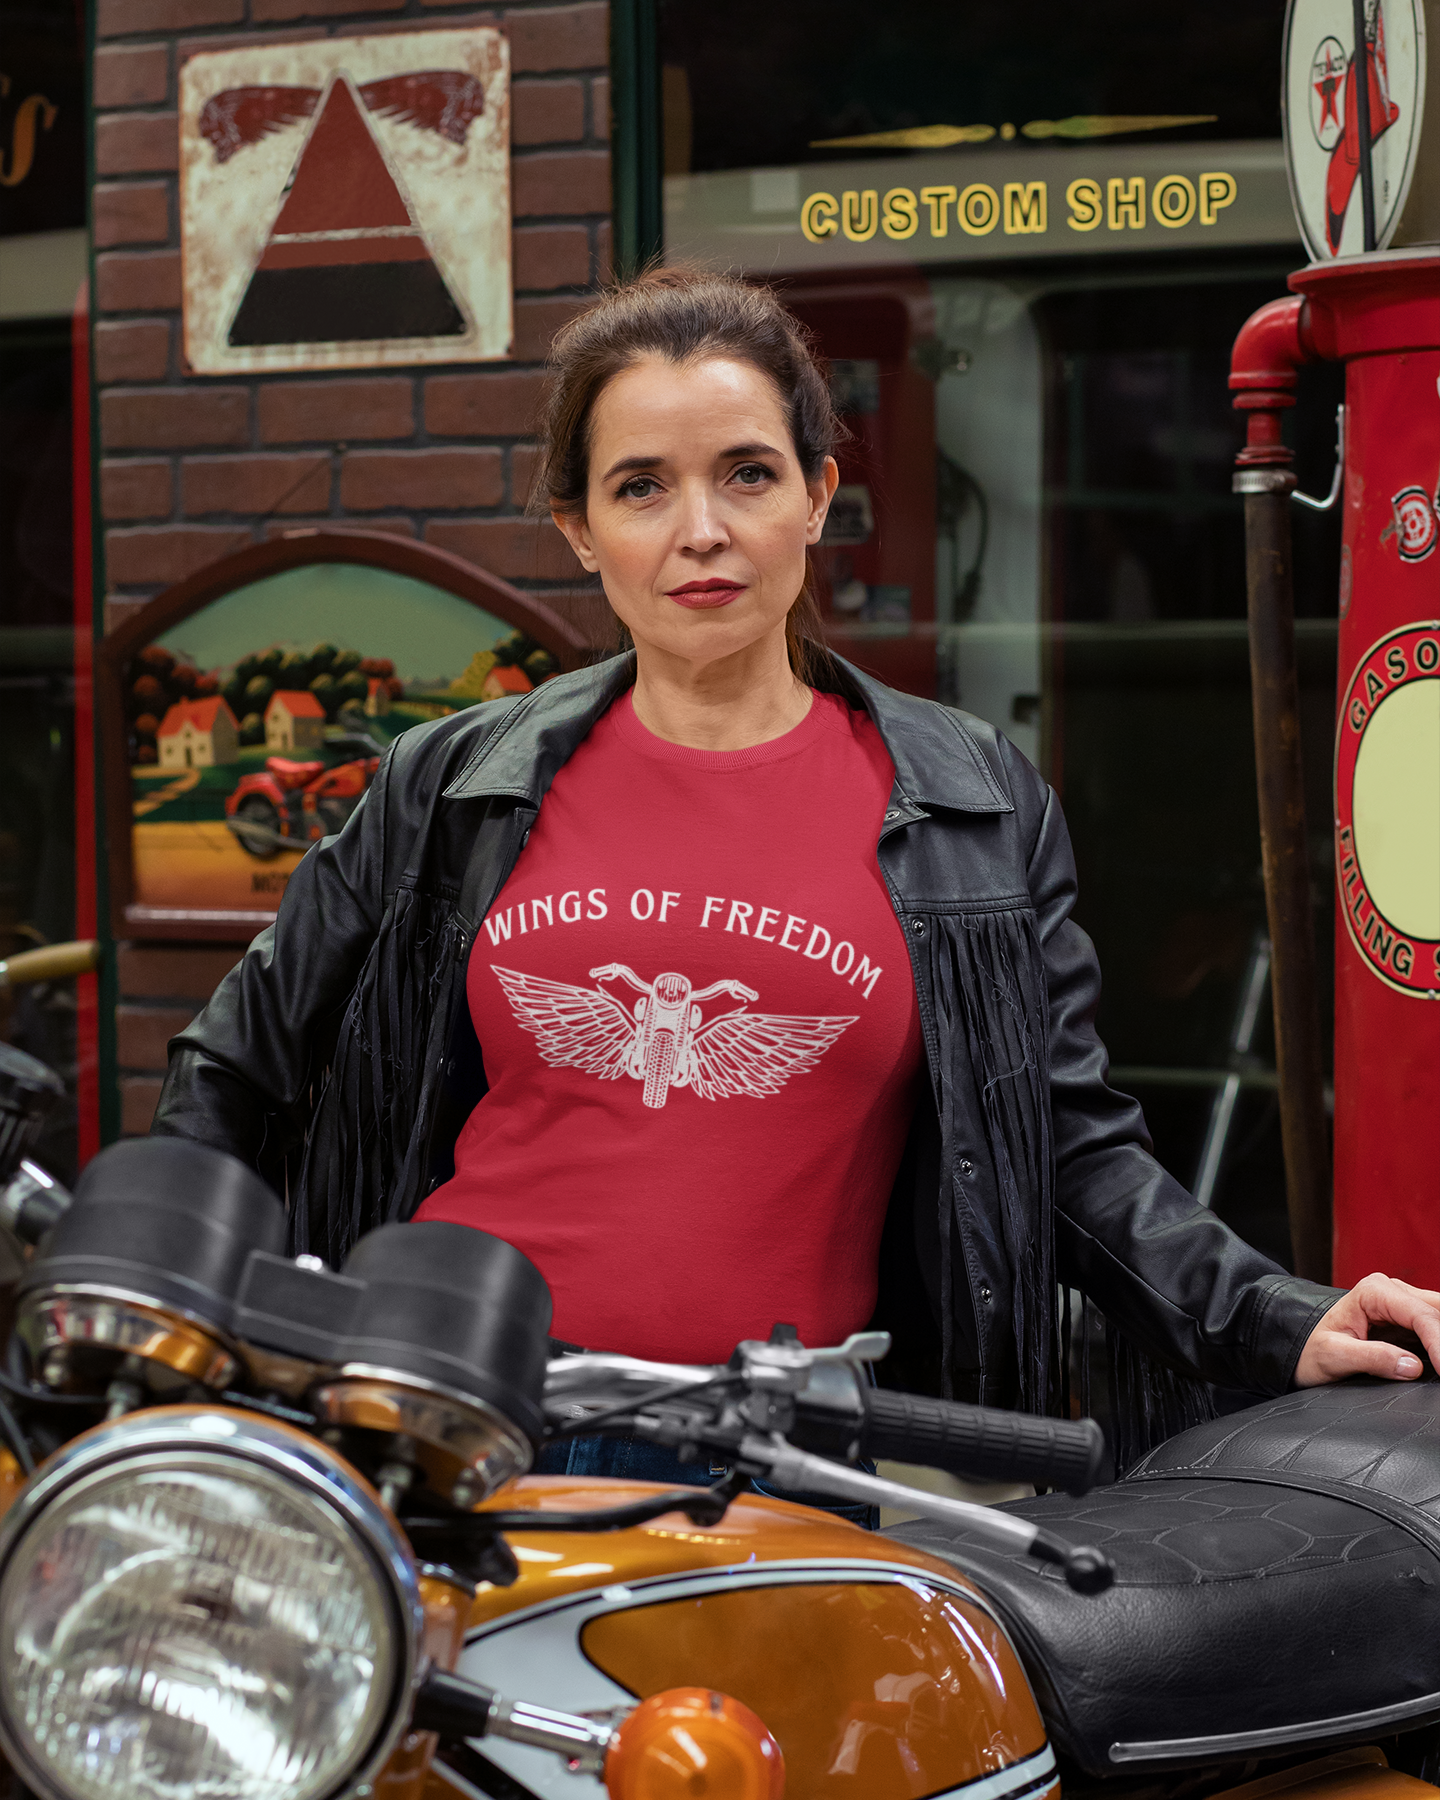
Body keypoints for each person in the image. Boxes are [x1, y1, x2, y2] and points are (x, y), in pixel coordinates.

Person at [153, 269, 1440, 1498]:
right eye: (641, 488)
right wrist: (175, 1329)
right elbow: (233, 1070)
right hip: (452, 1421)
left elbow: (1063, 1150)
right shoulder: (448, 787)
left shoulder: (968, 801)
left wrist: (1279, 1314)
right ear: (578, 530)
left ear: (819, 496)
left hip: (784, 1457)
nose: (700, 531)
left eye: (747, 474)